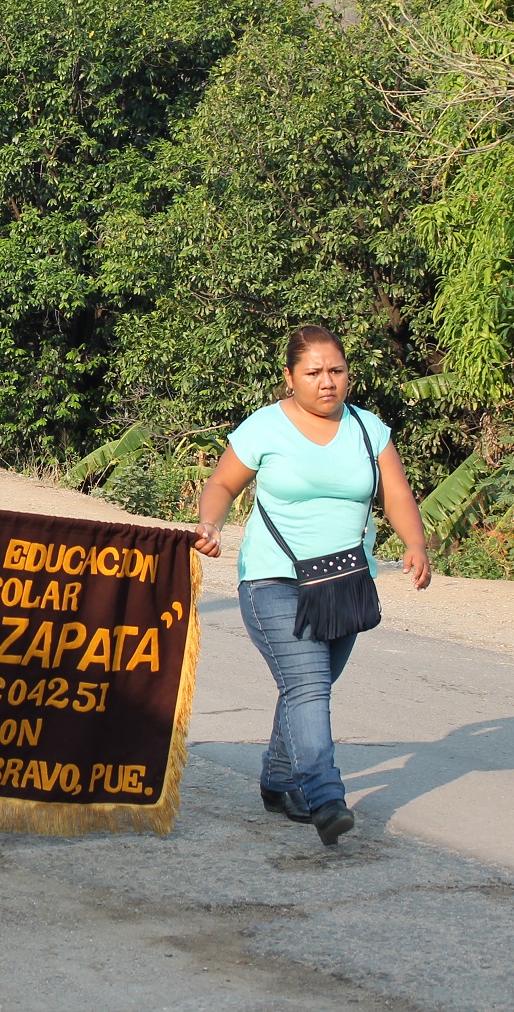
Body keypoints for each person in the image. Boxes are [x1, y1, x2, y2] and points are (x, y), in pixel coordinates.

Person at [192, 325, 431, 848]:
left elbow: (396, 495)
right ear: (290, 378)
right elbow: (222, 483)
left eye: (337, 371)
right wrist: (211, 523)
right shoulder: (264, 428)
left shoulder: (370, 431)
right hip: (273, 579)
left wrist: (415, 544)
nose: (328, 382)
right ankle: (324, 795)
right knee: (307, 682)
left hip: (345, 583)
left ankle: (278, 779)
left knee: (308, 684)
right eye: (314, 372)